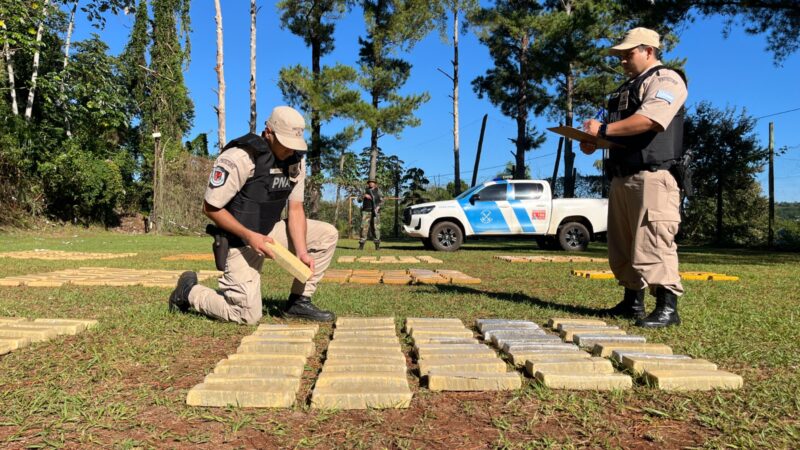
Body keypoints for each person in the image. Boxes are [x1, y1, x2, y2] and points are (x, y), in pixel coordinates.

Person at [169, 106, 338, 324]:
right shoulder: (240, 157)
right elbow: (211, 208)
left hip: (269, 233)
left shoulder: (296, 161)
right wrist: (250, 237)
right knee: (245, 315)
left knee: (327, 234)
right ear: (268, 132)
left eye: (294, 144)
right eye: (285, 143)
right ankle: (189, 291)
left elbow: (296, 208)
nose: (289, 150)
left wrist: (302, 252)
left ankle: (298, 302)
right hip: (239, 240)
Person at [580, 27, 687, 328]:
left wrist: (601, 131)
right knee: (624, 244)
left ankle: (667, 307)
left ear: (649, 51)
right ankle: (632, 303)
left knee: (654, 240)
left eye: (628, 54)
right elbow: (617, 131)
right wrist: (593, 141)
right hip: (622, 177)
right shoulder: (625, 89)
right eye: (621, 56)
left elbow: (651, 119)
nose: (623, 61)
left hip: (653, 177)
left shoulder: (666, 80)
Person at [358, 179, 383, 250]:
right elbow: (359, 200)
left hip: (375, 212)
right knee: (364, 228)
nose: (371, 184)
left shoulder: (378, 191)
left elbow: (382, 200)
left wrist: (378, 207)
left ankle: (377, 246)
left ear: (375, 184)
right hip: (366, 211)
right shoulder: (365, 191)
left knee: (376, 228)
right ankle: (361, 246)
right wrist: (364, 196)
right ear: (368, 184)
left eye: (373, 182)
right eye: (370, 182)